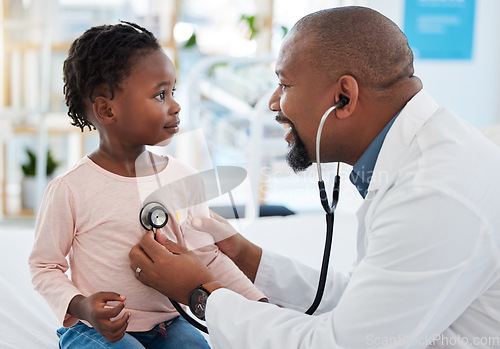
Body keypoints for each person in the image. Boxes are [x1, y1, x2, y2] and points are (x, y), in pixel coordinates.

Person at [128, 6, 500, 349]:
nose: (273, 102)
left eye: (285, 85)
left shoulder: (434, 190)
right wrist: (246, 256)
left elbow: (344, 344)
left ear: (343, 97)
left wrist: (199, 293)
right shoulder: (419, 156)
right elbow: (364, 301)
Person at [28, 22, 265, 349]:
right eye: (159, 95)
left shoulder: (183, 179)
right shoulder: (71, 189)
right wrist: (84, 306)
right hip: (95, 329)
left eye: (173, 92)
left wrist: (258, 303)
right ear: (106, 109)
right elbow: (44, 266)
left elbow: (207, 257)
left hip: (169, 324)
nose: (175, 105)